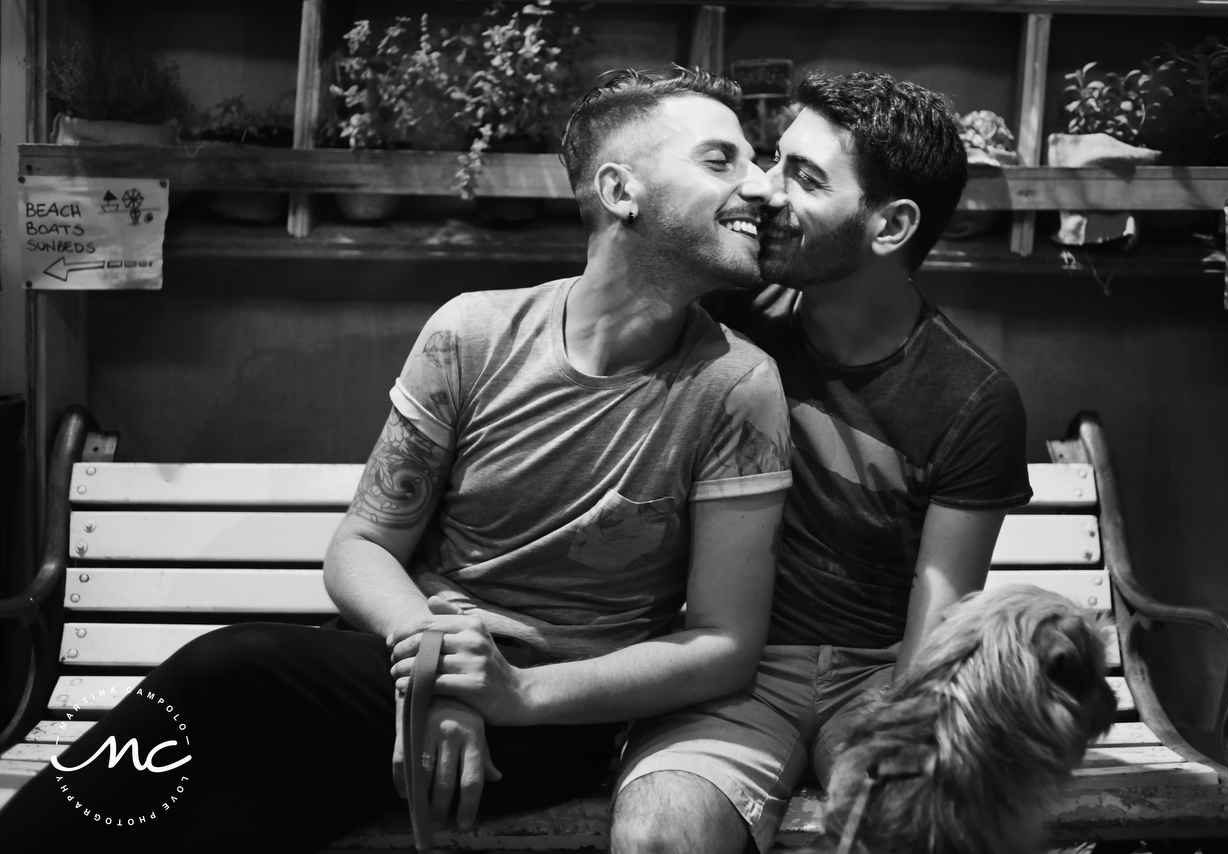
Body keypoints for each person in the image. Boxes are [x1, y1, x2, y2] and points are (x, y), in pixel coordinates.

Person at [0, 66, 792, 854]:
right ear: (622, 192)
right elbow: (363, 545)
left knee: (228, 670)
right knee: (237, 820)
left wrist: (514, 694)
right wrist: (435, 674)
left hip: (558, 720)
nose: (762, 186)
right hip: (400, 677)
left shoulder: (736, 386)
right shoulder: (473, 336)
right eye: (722, 160)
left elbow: (723, 645)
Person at [611, 70, 1033, 854]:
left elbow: (933, 634)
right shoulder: (729, 318)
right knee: (659, 836)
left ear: (890, 225)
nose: (764, 191)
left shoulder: (973, 399)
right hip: (726, 667)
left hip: (876, 676)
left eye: (803, 178)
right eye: (773, 161)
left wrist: (897, 762)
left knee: (909, 829)